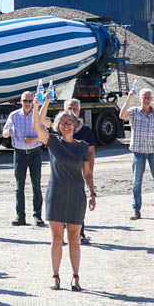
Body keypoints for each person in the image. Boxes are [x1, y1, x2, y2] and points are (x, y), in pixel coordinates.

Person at [31, 101, 97, 289]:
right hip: (56, 195)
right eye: (63, 122)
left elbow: (88, 173)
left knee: (74, 238)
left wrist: (92, 193)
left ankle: (75, 277)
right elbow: (36, 126)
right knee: (57, 238)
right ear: (58, 126)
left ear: (75, 125)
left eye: (69, 122)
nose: (66, 125)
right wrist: (36, 106)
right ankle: (55, 276)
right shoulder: (53, 142)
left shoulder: (83, 147)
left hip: (76, 195)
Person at [117, 87, 154, 220]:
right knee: (136, 182)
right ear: (140, 99)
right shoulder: (134, 111)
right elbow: (122, 116)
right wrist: (129, 98)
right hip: (138, 152)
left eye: (149, 98)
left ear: (152, 99)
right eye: (144, 98)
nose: (147, 100)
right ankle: (136, 210)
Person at [4, 91, 46, 226]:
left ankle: (37, 215)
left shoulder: (37, 116)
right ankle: (20, 216)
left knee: (36, 185)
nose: (27, 103)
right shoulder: (14, 115)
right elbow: (5, 132)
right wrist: (7, 132)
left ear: (33, 102)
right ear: (20, 102)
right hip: (19, 154)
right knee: (19, 186)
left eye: (30, 101)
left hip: (35, 153)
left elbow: (45, 136)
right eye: (25, 101)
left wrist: (33, 138)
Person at [60, 98, 98, 241]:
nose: (72, 111)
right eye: (69, 108)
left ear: (79, 111)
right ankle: (61, 234)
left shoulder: (85, 130)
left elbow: (91, 151)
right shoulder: (58, 128)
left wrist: (89, 172)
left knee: (78, 203)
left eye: (75, 109)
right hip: (62, 171)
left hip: (79, 170)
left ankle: (80, 232)